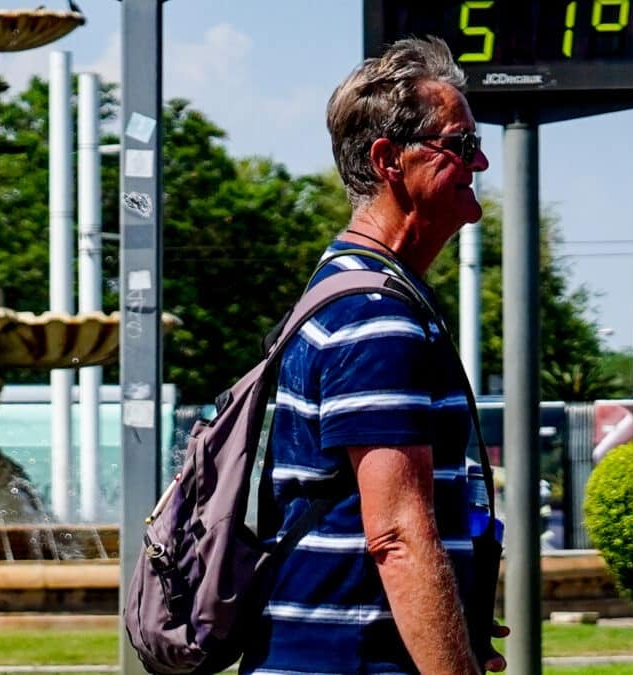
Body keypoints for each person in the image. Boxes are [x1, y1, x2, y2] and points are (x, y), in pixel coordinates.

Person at [239, 37, 507, 674]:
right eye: (461, 146)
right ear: (390, 160)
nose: (482, 163)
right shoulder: (374, 318)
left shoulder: (349, 290)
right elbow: (398, 537)